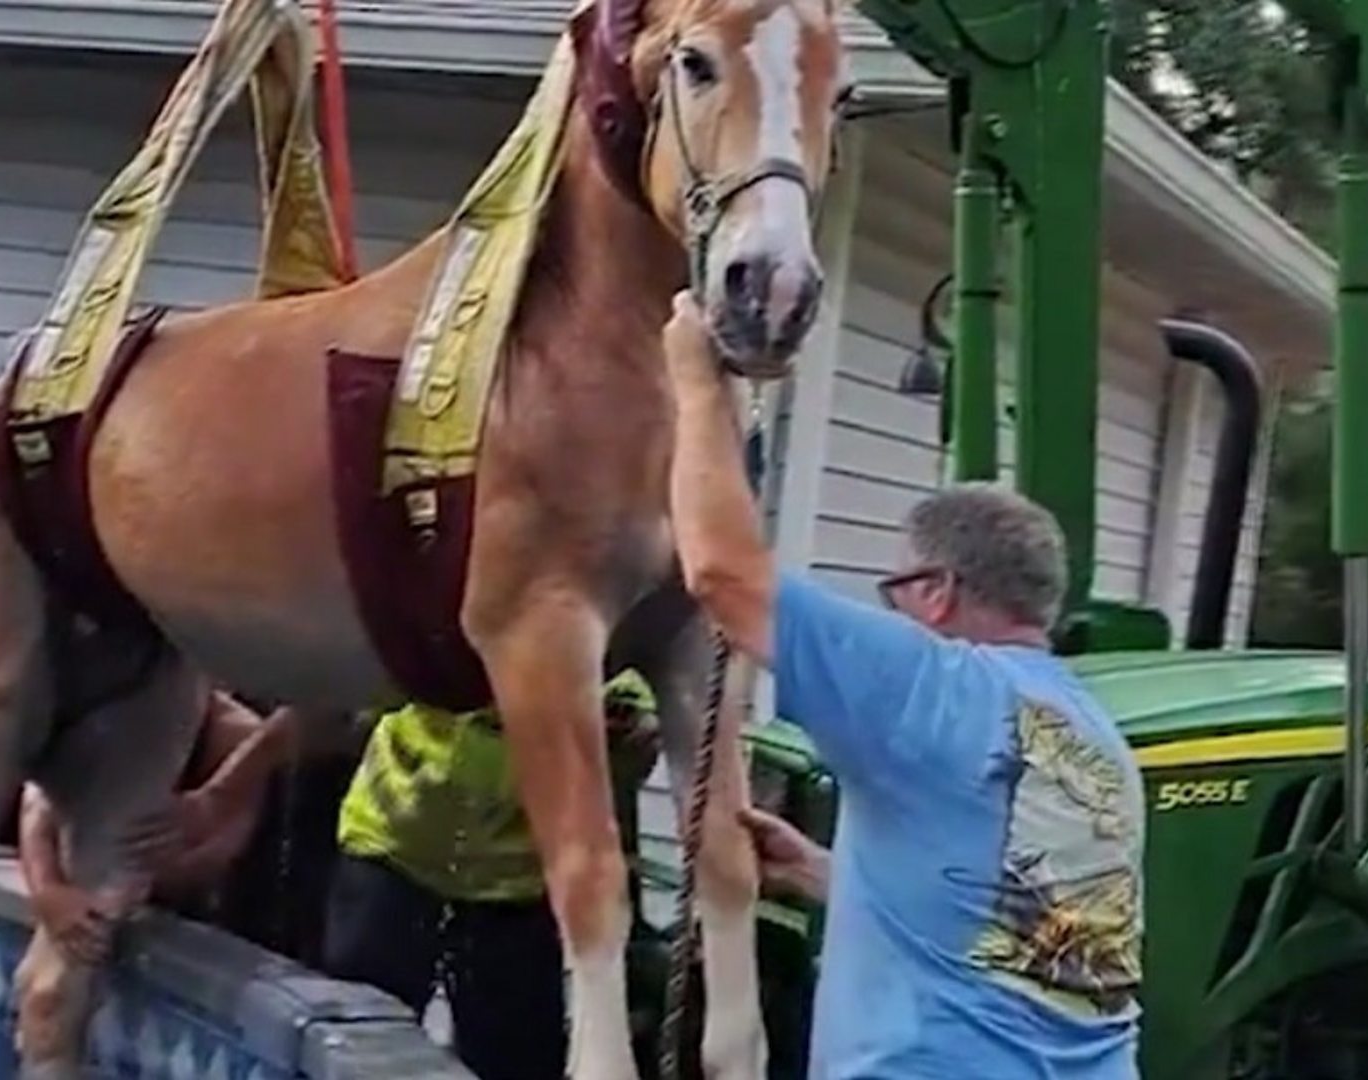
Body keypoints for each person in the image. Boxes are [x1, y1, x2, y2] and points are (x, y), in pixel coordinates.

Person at [660, 293, 1147, 1078]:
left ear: (939, 591)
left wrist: (693, 385)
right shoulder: (1090, 734)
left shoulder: (937, 687)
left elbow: (721, 572)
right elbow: (1022, 921)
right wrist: (826, 873)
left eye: (897, 588)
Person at [323, 670, 662, 1080]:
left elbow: (633, 717)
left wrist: (632, 734)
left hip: (515, 885)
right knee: (353, 1044)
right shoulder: (429, 625)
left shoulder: (597, 653)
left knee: (513, 1062)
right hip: (392, 849)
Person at [16, 689, 294, 964]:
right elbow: (38, 803)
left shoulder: (234, 733)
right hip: (98, 866)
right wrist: (48, 891)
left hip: (186, 890)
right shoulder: (108, 715)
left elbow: (228, 840)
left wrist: (137, 880)